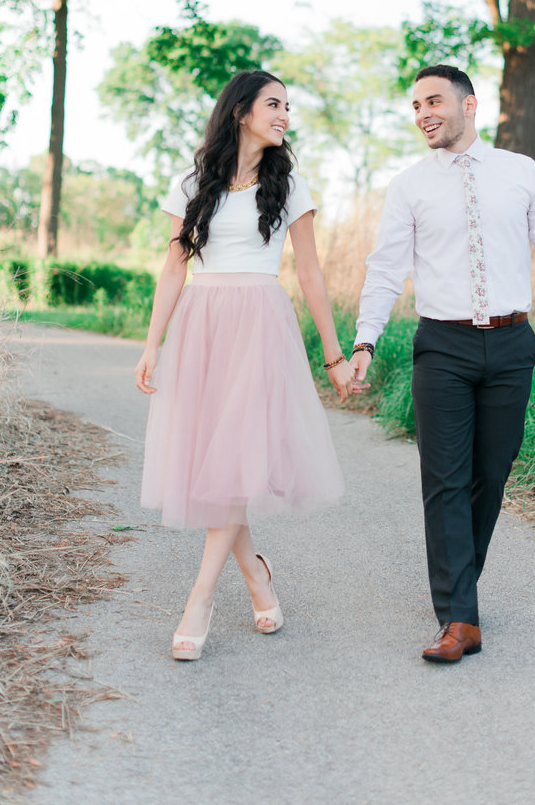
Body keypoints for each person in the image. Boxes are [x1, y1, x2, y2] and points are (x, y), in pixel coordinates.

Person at [349, 64, 535, 664]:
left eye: (434, 101)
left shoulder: (520, 172)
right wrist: (365, 341)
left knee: (490, 476)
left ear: (469, 104)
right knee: (445, 480)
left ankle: (458, 586)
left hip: (513, 347)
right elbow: (386, 268)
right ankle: (460, 617)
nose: (423, 114)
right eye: (416, 106)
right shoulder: (409, 185)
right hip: (443, 346)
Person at [136, 69, 358, 661]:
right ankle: (257, 574)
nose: (285, 115)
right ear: (241, 111)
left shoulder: (291, 186)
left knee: (232, 456)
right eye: (274, 104)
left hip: (259, 324)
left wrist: (334, 356)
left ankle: (200, 598)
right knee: (215, 459)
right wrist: (153, 342)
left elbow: (311, 274)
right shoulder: (192, 182)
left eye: (288, 106)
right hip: (201, 325)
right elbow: (173, 269)